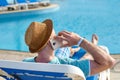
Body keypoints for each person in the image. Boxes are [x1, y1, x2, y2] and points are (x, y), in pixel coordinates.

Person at [23, 19, 116, 78]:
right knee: (90, 56)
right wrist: (80, 41)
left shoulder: (24, 64)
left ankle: (72, 50)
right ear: (50, 42)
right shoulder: (68, 67)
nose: (57, 37)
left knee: (66, 51)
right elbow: (109, 62)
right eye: (55, 36)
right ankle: (93, 44)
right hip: (72, 70)